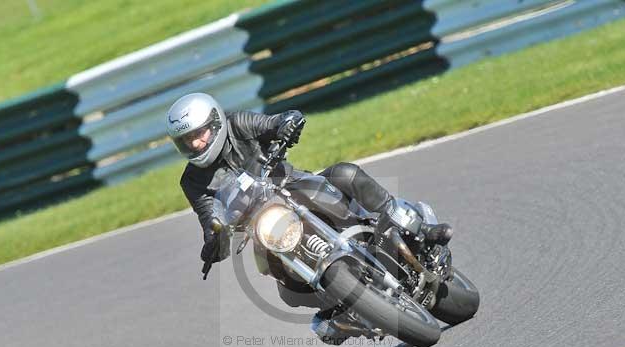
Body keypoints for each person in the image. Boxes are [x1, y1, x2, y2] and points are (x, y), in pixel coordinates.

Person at [166, 93, 452, 296]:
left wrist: (287, 122)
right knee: (275, 274)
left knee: (345, 174)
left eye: (200, 133)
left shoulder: (238, 124)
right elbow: (209, 218)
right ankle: (333, 306)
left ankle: (419, 228)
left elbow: (274, 122)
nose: (196, 143)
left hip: (293, 187)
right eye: (187, 140)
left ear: (215, 123)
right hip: (260, 224)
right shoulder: (192, 181)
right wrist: (213, 240)